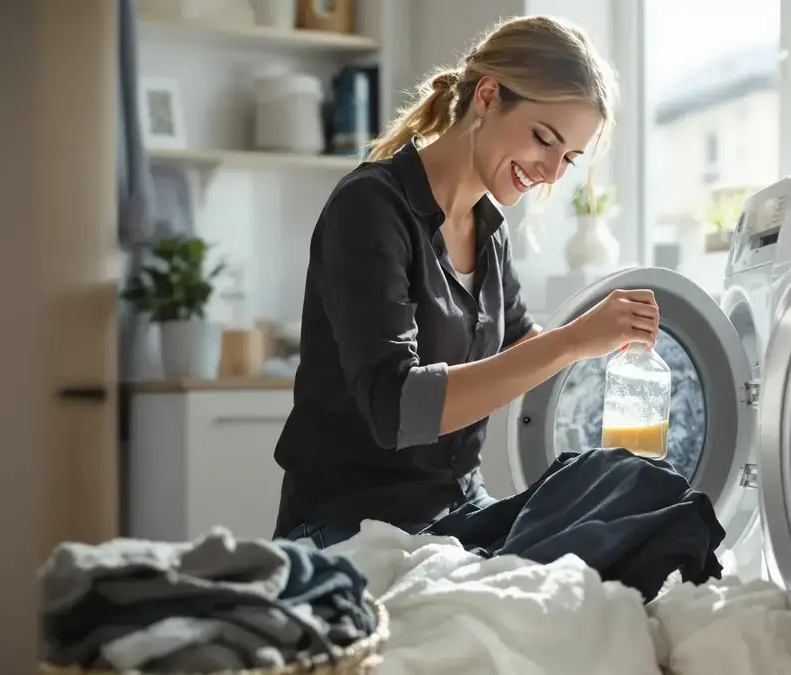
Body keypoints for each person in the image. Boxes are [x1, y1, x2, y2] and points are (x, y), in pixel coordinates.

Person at [273, 16, 660, 549]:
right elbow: (396, 409)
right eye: (543, 140)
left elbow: (527, 349)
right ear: (486, 96)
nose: (549, 173)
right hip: (348, 527)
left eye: (567, 159)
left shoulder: (487, 232)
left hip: (453, 517)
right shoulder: (370, 206)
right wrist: (571, 342)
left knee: (642, 518)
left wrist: (626, 364)